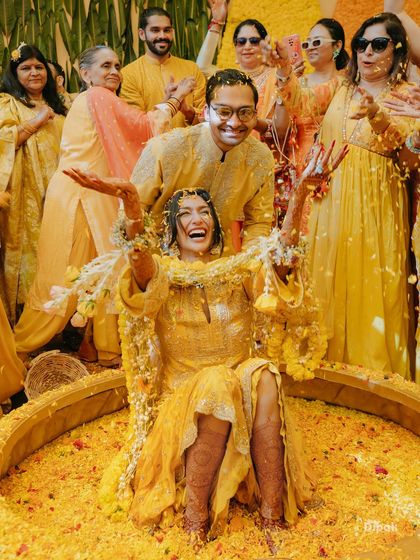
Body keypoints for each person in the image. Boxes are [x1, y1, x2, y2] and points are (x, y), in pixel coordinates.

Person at [64, 141, 346, 539]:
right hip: (185, 408)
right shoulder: (163, 275)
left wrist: (299, 195)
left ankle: (272, 513)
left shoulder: (236, 272)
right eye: (185, 214)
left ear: (214, 224)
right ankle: (195, 518)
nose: (196, 219)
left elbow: (281, 266)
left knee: (264, 374)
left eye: (203, 212)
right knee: (216, 381)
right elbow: (140, 265)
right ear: (172, 230)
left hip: (241, 404)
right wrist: (131, 205)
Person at [14, 45, 195, 366]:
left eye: (117, 65)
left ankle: (103, 348)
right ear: (85, 73)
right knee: (66, 276)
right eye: (105, 65)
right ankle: (16, 350)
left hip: (85, 193)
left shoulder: (95, 99)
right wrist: (176, 98)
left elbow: (134, 125)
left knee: (103, 267)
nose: (114, 71)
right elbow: (145, 127)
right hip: (80, 198)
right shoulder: (98, 96)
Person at [266, 12, 417, 378]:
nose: (367, 52)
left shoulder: (408, 95)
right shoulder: (339, 88)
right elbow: (301, 104)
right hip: (329, 200)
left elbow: (406, 152)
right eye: (361, 44)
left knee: (371, 282)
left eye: (378, 44)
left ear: (397, 50)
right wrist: (284, 70)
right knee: (325, 278)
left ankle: (373, 374)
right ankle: (323, 367)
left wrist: (378, 115)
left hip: (377, 203)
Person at [66, 68, 275, 256]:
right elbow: (130, 219)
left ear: (255, 115)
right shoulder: (166, 149)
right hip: (159, 262)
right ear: (206, 112)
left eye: (245, 112)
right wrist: (150, 265)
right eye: (224, 112)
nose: (235, 122)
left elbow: (259, 222)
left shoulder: (260, 157)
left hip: (220, 266)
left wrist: (246, 268)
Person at [0, 43, 67, 324]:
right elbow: (3, 141)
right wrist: (36, 122)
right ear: (15, 74)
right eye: (26, 68)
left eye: (39, 67)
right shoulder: (7, 103)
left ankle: (59, 322)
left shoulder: (61, 106)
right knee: (29, 254)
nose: (34, 73)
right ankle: (26, 322)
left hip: (58, 193)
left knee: (58, 251)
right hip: (23, 195)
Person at [120, 7, 206, 128]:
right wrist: (174, 100)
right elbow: (136, 125)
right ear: (142, 34)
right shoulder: (128, 74)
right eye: (155, 30)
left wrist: (187, 110)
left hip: (190, 140)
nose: (162, 36)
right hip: (151, 141)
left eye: (167, 30)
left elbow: (206, 120)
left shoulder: (192, 69)